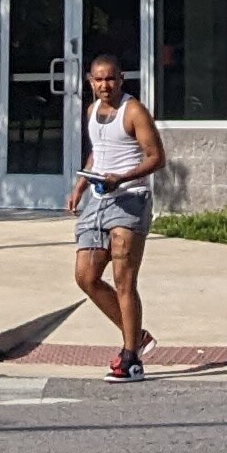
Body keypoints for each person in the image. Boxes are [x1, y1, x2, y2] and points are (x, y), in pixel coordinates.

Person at [70, 51, 163, 380]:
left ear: (121, 79)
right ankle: (137, 336)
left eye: (111, 78)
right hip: (98, 200)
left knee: (124, 280)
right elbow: (99, 151)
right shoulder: (92, 111)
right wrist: (80, 186)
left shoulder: (133, 111)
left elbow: (156, 157)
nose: (105, 85)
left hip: (131, 199)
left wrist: (121, 179)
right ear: (90, 82)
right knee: (86, 276)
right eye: (99, 79)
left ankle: (131, 358)